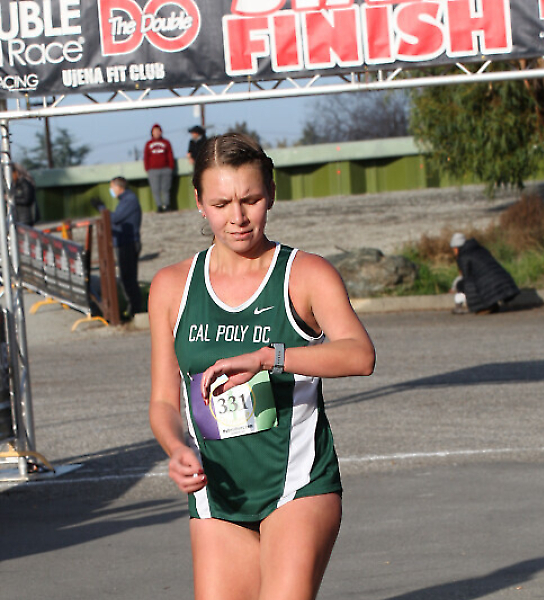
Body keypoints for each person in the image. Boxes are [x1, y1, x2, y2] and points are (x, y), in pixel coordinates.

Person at [149, 133, 376, 600]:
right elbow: (163, 401)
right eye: (221, 204)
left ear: (270, 193)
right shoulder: (172, 287)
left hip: (297, 485)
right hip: (218, 492)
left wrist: (268, 358)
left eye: (250, 199)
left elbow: (360, 354)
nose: (237, 217)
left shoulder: (305, 273)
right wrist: (175, 447)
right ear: (199, 203)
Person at [450, 232, 520, 315]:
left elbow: (467, 278)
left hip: (489, 284)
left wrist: (455, 287)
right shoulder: (481, 249)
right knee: (481, 280)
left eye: (453, 249)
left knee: (462, 284)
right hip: (504, 282)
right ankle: (492, 304)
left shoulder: (463, 256)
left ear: (456, 248)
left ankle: (484, 306)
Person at [109, 177, 143, 318]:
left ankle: (135, 310)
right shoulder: (126, 200)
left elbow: (115, 218)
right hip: (124, 243)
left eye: (112, 187)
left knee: (128, 278)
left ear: (118, 187)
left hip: (128, 243)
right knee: (126, 277)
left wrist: (102, 209)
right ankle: (133, 309)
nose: (111, 190)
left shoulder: (129, 200)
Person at [143, 123, 174, 213]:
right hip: (153, 170)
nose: (156, 133)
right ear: (152, 133)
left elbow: (170, 155)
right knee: (155, 189)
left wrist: (171, 167)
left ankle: (167, 205)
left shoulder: (166, 142)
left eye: (158, 131)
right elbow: (146, 157)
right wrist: (147, 168)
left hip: (166, 169)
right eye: (155, 131)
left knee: (165, 189)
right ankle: (159, 206)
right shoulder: (148, 144)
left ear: (161, 132)